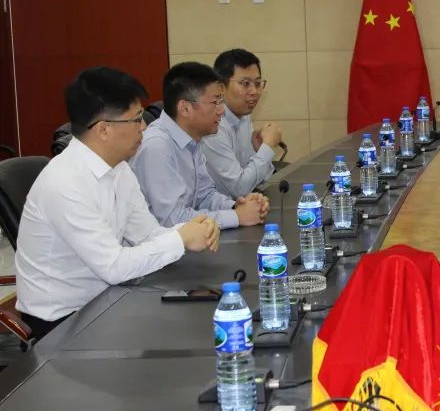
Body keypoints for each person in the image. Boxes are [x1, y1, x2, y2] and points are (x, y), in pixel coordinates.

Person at [15, 67, 219, 342]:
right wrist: (180, 239)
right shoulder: (65, 182)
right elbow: (113, 266)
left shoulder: (119, 168)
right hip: (62, 323)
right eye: (136, 119)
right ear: (104, 129)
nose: (144, 127)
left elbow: (146, 235)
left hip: (107, 300)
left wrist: (192, 229)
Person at [131, 62, 269, 229]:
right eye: (216, 102)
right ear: (185, 108)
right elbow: (172, 219)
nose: (222, 110)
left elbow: (204, 195)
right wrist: (237, 216)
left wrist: (236, 206)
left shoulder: (192, 138)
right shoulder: (156, 147)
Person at [201, 48, 282, 198]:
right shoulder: (213, 126)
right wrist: (268, 147)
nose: (254, 91)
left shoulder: (243, 116)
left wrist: (258, 150)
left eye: (257, 83)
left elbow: (258, 178)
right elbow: (239, 188)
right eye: (245, 84)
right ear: (221, 87)